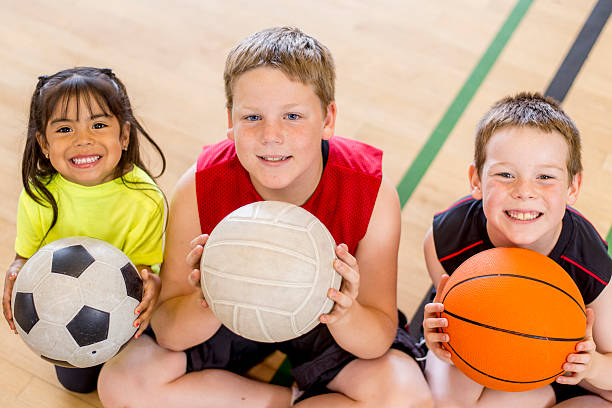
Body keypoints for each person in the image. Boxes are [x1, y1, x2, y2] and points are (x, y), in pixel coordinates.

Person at [97, 27, 433, 407]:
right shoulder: (200, 186)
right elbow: (171, 329)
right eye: (253, 117)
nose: (271, 135)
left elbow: (376, 339)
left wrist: (346, 313)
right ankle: (289, 399)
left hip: (323, 321)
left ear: (328, 118)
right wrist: (208, 297)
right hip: (229, 313)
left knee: (407, 395)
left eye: (292, 116)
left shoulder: (369, 192)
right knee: (121, 382)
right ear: (230, 120)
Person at [422, 92, 612, 407]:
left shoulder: (590, 264)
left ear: (572, 188)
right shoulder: (447, 239)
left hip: (569, 375)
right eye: (506, 175)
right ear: (476, 180)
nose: (524, 192)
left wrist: (592, 365)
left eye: (545, 177)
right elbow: (458, 331)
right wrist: (440, 340)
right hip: (489, 354)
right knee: (447, 399)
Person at [2, 67, 166, 394]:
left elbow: (144, 267)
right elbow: (26, 255)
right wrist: (16, 271)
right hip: (63, 308)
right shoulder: (39, 195)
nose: (83, 139)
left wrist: (152, 283)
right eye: (64, 128)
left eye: (99, 125)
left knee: (136, 365)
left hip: (123, 307)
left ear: (124, 135)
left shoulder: (145, 199)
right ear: (44, 144)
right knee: (77, 383)